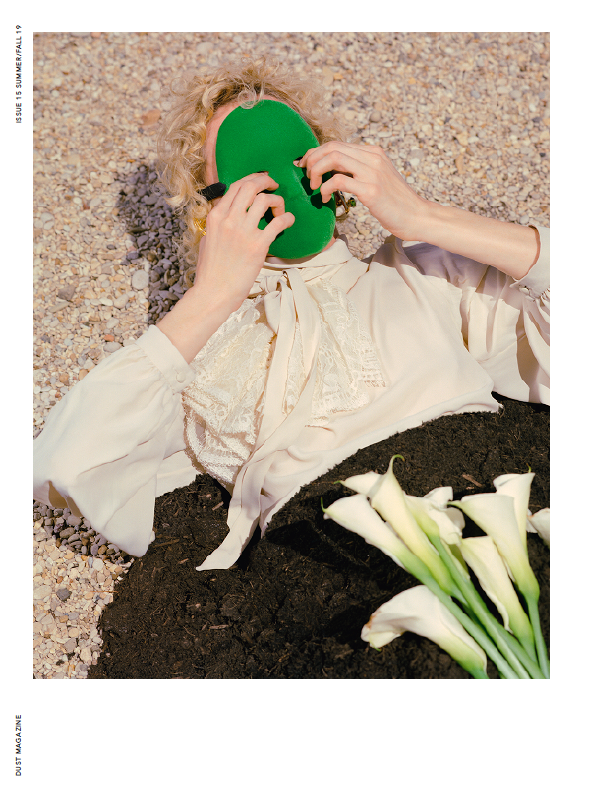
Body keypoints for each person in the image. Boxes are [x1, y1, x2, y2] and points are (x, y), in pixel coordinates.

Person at [33, 56, 549, 571]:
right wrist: (210, 298)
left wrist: (423, 216)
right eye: (248, 175)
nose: (279, 182)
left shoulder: (420, 272)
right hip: (337, 563)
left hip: (491, 511)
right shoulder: (201, 355)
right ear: (207, 207)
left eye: (296, 158)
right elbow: (69, 465)